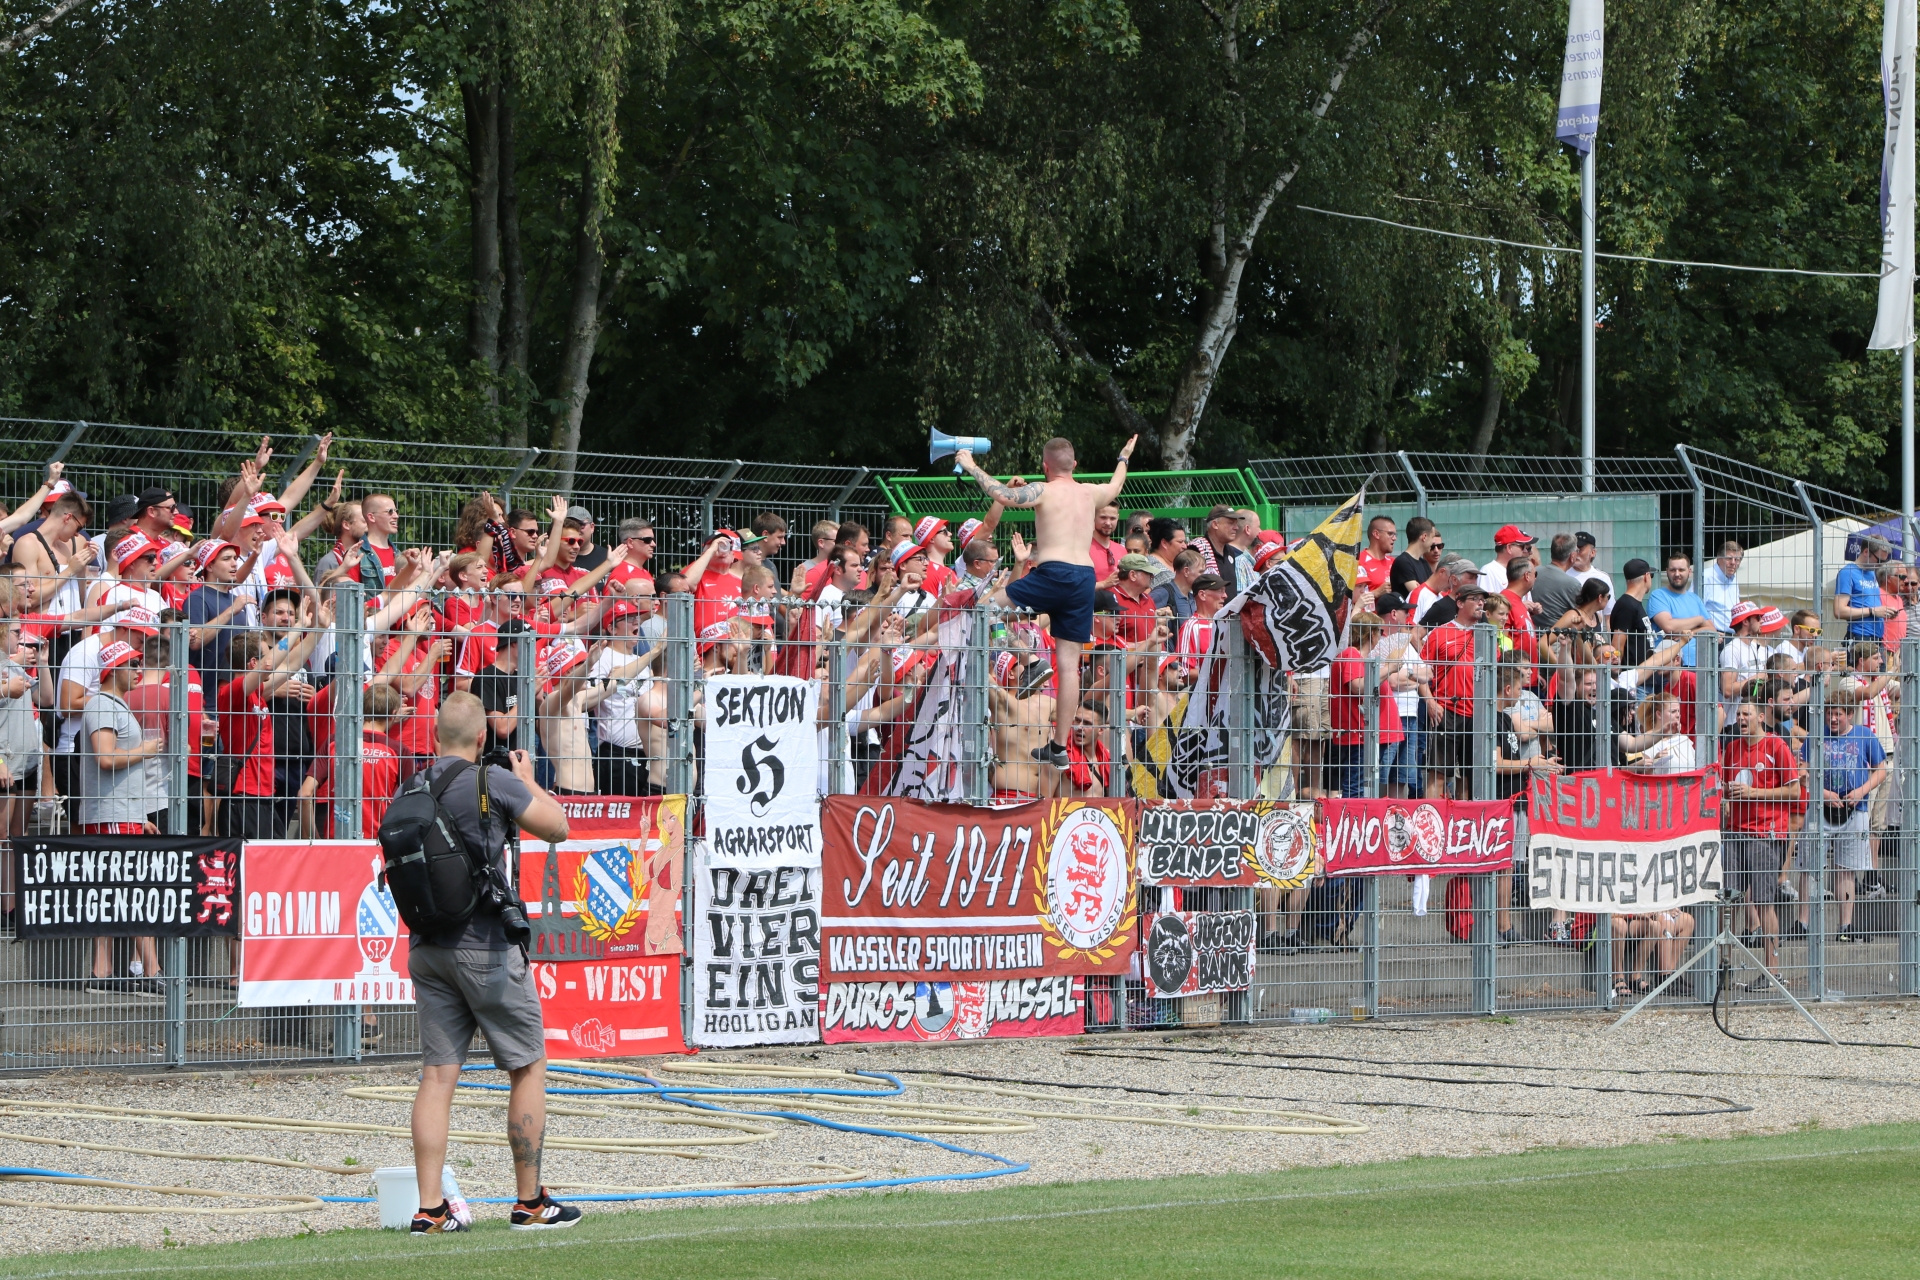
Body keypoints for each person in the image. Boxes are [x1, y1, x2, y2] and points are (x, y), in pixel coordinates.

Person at [406, 692, 576, 1234]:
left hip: (427, 946)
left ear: (436, 736)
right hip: (484, 945)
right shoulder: (492, 780)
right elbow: (557, 827)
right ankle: (530, 1203)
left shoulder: (412, 786)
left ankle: (430, 1210)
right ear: (483, 738)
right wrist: (527, 780)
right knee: (527, 1065)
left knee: (437, 1076)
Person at [957, 434, 1135, 767]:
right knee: (1069, 666)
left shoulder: (1044, 489)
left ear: (1045, 466)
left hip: (1054, 573)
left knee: (984, 610)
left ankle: (1026, 660)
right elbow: (1115, 486)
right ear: (1074, 465)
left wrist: (970, 465)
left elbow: (1003, 494)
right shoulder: (1090, 492)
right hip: (1084, 578)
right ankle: (1058, 747)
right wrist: (1123, 457)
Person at [79, 640, 166, 996]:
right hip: (111, 814)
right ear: (113, 669)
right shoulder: (102, 704)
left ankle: (102, 972)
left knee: (113, 891)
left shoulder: (113, 704)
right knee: (134, 890)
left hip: (120, 813)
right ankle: (151, 971)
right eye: (133, 665)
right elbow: (105, 757)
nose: (139, 671)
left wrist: (138, 815)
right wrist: (145, 749)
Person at [1720, 695, 1800, 989]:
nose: (1741, 719)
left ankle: (1772, 971)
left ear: (1761, 717)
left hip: (1765, 835)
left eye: (1747, 714)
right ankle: (1724, 969)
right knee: (1729, 901)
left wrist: (1754, 793)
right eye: (1738, 714)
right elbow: (1724, 788)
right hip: (1735, 833)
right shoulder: (1731, 749)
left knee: (1764, 902)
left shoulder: (1776, 746)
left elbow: (1794, 792)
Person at [1798, 686, 1887, 946]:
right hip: (1820, 810)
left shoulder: (1864, 736)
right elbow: (1802, 772)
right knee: (1809, 866)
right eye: (1830, 714)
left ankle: (1845, 925)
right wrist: (1823, 793)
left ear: (1849, 714)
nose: (1833, 719)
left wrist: (1861, 791)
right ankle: (1802, 923)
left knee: (1845, 869)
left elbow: (1881, 770)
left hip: (1854, 809)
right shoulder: (1816, 736)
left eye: (1838, 714)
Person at [1420, 580, 1486, 800]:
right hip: (1446, 710)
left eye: (1482, 600)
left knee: (1468, 776)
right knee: (1437, 773)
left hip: (1477, 713)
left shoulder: (1486, 636)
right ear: (1460, 603)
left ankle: (1464, 818)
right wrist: (1430, 701)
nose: (1481, 603)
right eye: (1475, 599)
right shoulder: (1439, 633)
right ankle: (1432, 817)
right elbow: (1422, 673)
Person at [1645, 552, 1715, 665]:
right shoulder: (1658, 596)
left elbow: (1711, 629)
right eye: (1673, 570)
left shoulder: (1695, 599)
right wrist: (1700, 620)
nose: (1677, 574)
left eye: (1681, 570)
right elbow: (1669, 626)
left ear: (1689, 572)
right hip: (1670, 665)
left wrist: (1688, 633)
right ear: (1667, 571)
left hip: (1698, 664)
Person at [1835, 534, 1896, 642]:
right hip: (1860, 636)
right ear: (1866, 552)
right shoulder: (1847, 573)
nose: (1881, 565)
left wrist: (1885, 612)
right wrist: (1872, 611)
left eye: (1884, 562)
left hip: (1876, 637)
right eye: (1879, 560)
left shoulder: (1871, 572)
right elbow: (1839, 611)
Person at [1608, 558, 1657, 667]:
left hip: (1642, 673)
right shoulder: (1627, 605)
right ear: (1646, 576)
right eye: (1651, 576)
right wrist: (1618, 673)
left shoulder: (1633, 604)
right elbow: (1617, 645)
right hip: (1632, 674)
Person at [1529, 534, 1582, 627]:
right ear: (1572, 556)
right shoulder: (1573, 584)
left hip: (1529, 632)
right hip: (1557, 635)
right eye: (1577, 551)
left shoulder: (1533, 572)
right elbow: (1581, 615)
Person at [1700, 540, 1744, 632]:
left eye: (1737, 559)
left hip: (1733, 635)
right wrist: (1711, 632)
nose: (1733, 563)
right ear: (1718, 558)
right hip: (1714, 635)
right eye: (1729, 558)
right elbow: (1694, 608)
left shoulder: (1734, 579)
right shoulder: (1706, 577)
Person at [1566, 532, 1614, 619]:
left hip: (1594, 626)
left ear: (1592, 552)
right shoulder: (1563, 574)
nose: (1575, 553)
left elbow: (1609, 615)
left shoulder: (1602, 578)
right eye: (1573, 549)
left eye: (1580, 549)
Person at [1478, 525, 1535, 596]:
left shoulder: (1522, 570)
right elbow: (1487, 601)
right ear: (1509, 548)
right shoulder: (1488, 571)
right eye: (1522, 546)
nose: (1525, 551)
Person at [1391, 517, 1439, 596]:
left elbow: (1434, 590)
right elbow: (1420, 595)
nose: (1433, 542)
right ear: (1424, 537)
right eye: (1432, 537)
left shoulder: (1424, 563)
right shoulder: (1403, 562)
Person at [1357, 515, 1396, 592]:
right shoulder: (1358, 561)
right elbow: (1350, 596)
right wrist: (1376, 592)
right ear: (1376, 534)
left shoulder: (1394, 562)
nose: (1394, 538)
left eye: (1395, 534)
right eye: (1390, 534)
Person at [1088, 503, 1124, 587]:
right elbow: (1077, 587)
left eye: (1112, 518)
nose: (1108, 523)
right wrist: (1104, 584)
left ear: (1117, 518)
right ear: (1093, 517)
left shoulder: (1121, 550)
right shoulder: (1084, 549)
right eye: (1103, 517)